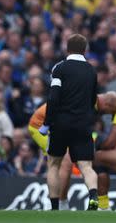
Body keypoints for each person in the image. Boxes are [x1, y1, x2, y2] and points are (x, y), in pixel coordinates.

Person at [28, 92, 116, 210]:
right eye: (109, 112)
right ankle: (58, 203)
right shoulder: (89, 101)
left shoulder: (91, 101)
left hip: (60, 125)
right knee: (64, 161)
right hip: (41, 125)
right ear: (107, 104)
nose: (105, 114)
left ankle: (99, 205)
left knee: (84, 162)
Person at [41, 34, 100, 211]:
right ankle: (93, 196)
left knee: (53, 164)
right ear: (85, 50)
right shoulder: (91, 71)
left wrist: (46, 123)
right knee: (86, 166)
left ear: (67, 49)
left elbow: (53, 97)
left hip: (60, 124)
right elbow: (92, 100)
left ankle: (54, 207)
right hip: (82, 124)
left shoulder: (60, 69)